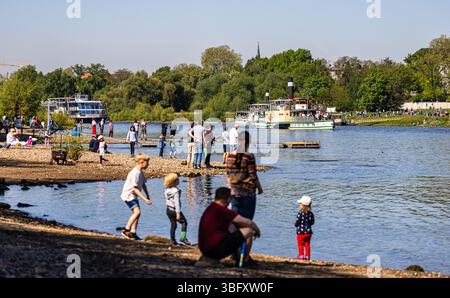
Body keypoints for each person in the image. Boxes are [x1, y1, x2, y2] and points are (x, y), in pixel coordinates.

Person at [197, 187, 261, 267]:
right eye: (230, 199)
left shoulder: (211, 208)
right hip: (215, 250)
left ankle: (238, 256)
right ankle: (245, 260)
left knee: (233, 227)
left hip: (205, 249)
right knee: (248, 231)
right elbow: (248, 222)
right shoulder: (222, 210)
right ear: (228, 198)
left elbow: (235, 226)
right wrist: (257, 231)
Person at [226, 131, 263, 220]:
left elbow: (228, 174)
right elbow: (253, 175)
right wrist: (260, 188)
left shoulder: (230, 155)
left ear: (238, 140)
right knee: (247, 223)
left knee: (236, 222)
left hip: (234, 192)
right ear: (248, 142)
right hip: (248, 193)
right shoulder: (249, 156)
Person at [120, 153, 153, 240]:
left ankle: (133, 232)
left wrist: (148, 195)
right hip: (128, 195)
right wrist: (145, 199)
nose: (148, 165)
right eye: (147, 163)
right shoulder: (135, 173)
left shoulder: (140, 172)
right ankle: (126, 230)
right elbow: (135, 189)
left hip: (134, 195)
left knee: (138, 213)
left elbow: (143, 185)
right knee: (137, 212)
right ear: (142, 162)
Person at [164, 173, 191, 246]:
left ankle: (172, 240)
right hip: (174, 210)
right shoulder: (176, 190)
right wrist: (178, 212)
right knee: (184, 222)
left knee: (173, 224)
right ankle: (183, 237)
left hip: (168, 209)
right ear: (174, 182)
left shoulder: (166, 189)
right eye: (177, 179)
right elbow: (177, 202)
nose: (179, 180)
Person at [295, 196, 315, 260]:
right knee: (307, 244)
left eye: (300, 204)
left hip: (300, 232)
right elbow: (312, 222)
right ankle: (307, 256)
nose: (299, 205)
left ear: (303, 205)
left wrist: (296, 224)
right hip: (308, 232)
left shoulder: (300, 213)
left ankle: (301, 255)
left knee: (300, 244)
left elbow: (298, 221)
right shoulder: (311, 214)